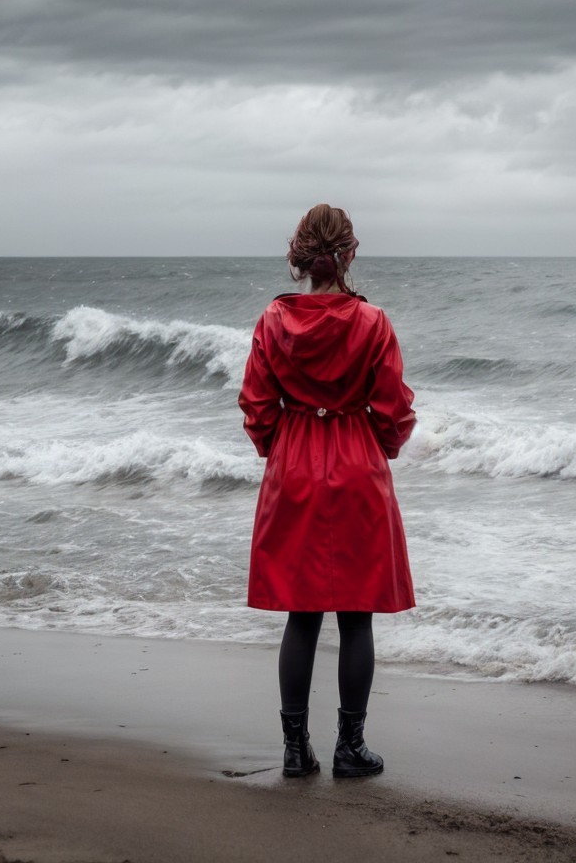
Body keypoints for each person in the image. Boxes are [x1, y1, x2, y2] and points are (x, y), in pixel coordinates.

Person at [238, 203, 416, 779]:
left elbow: (257, 406)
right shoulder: (372, 322)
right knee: (357, 615)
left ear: (301, 257)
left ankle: (294, 749)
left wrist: (281, 447)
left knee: (302, 613)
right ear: (349, 253)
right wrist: (377, 446)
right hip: (356, 463)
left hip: (294, 463)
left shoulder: (272, 320)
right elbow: (394, 409)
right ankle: (350, 746)